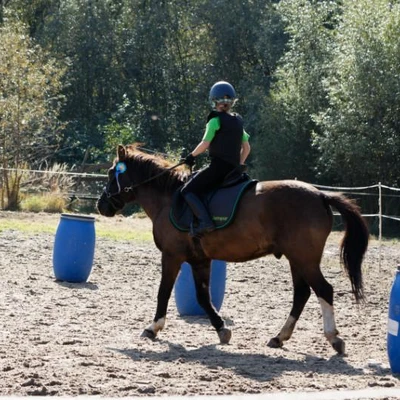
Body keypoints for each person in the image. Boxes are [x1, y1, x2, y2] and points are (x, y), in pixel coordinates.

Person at [181, 80, 251, 237]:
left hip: (218, 168)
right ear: (232, 102)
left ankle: (206, 223)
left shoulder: (215, 120)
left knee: (187, 190)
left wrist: (191, 156)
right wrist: (239, 164)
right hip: (233, 171)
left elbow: (205, 143)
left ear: (214, 101)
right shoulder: (238, 121)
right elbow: (246, 148)